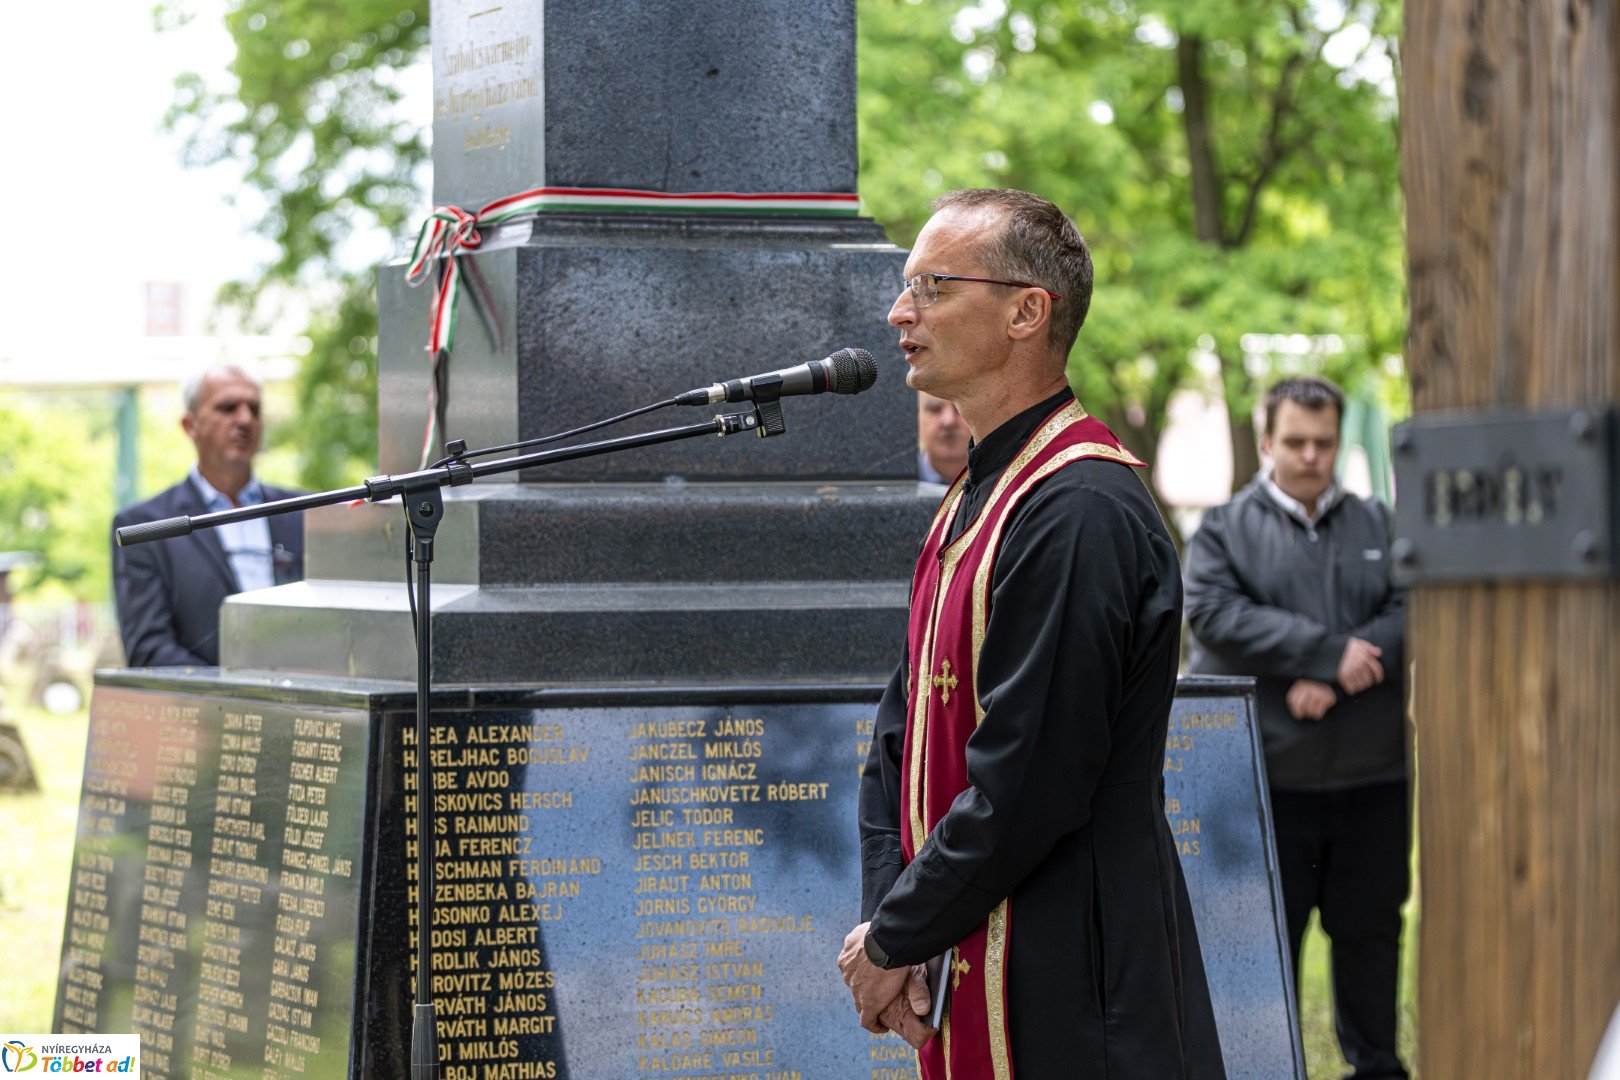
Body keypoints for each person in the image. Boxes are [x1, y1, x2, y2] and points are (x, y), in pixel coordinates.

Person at [839, 188, 1224, 1078]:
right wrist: (893, 927)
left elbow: (1032, 780)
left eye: (933, 286)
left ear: (1026, 312)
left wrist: (896, 937)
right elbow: (897, 740)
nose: (900, 312)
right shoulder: (973, 498)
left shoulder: (1079, 507)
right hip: (959, 945)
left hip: (1075, 979)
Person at [1183, 375, 1409, 1080]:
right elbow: (1211, 614)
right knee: (1262, 946)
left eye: (1324, 443)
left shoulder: (1380, 524)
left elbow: (1418, 607)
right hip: (1265, 784)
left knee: (1371, 936)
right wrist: (1325, 652)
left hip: (1372, 775)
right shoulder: (1223, 529)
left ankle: (1376, 1068)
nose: (1311, 456)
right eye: (1296, 442)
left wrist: (1338, 671)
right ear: (1267, 442)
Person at [112, 365, 304, 667]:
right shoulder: (145, 527)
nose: (245, 420)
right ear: (190, 425)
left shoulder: (305, 512)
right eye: (228, 408)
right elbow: (149, 650)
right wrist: (237, 689)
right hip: (208, 697)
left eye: (254, 409)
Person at [917, 392, 969, 483]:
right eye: (935, 409)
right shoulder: (897, 482)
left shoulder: (995, 483)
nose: (949, 421)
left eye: (961, 407)